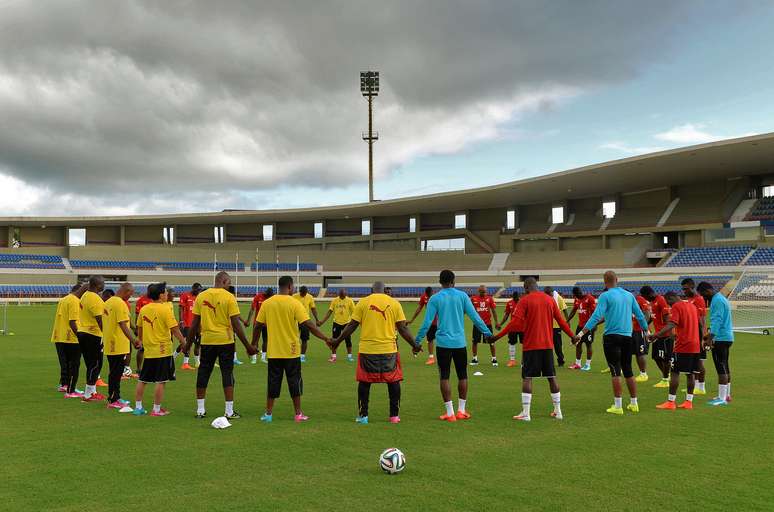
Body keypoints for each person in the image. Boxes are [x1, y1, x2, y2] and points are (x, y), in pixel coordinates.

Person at [332, 282, 421, 424]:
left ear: (371, 290)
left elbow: (352, 326)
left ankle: (363, 416)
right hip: (389, 350)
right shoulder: (394, 303)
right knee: (393, 382)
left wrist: (337, 341)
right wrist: (415, 345)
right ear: (384, 290)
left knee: (364, 383)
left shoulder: (363, 302)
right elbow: (403, 329)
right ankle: (394, 416)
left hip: (368, 350)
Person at [491, 277, 574, 421]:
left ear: (526, 288)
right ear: (537, 286)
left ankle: (526, 413)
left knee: (527, 377)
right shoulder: (549, 300)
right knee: (551, 377)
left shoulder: (524, 301)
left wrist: (497, 336)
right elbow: (561, 321)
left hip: (531, 346)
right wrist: (572, 336)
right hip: (547, 345)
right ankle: (558, 412)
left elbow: (515, 323)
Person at [416, 270, 493, 422]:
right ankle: (461, 411)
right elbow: (475, 318)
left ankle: (450, 413)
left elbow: (426, 323)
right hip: (459, 343)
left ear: (440, 282)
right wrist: (487, 333)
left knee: (444, 376)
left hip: (443, 344)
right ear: (453, 281)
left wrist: (417, 341)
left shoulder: (435, 298)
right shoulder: (463, 296)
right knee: (462, 375)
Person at [255, 276, 331, 423]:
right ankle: (298, 414)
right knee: (294, 382)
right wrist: (326, 338)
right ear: (290, 286)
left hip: (274, 351)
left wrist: (253, 345)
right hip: (292, 351)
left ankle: (268, 414)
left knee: (273, 382)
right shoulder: (295, 303)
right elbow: (308, 324)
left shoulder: (267, 303)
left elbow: (258, 325)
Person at [184, 272, 256, 419]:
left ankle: (200, 410)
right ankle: (229, 411)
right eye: (228, 282)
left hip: (207, 341)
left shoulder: (202, 296)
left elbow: (194, 324)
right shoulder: (229, 297)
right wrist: (248, 346)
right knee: (227, 374)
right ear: (224, 281)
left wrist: (188, 344)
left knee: (203, 373)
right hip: (225, 341)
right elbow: (236, 324)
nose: (229, 285)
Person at [575, 271, 648, 415]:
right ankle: (634, 403)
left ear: (604, 282)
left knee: (615, 371)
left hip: (611, 337)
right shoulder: (629, 295)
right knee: (628, 370)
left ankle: (618, 405)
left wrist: (581, 333)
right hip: (628, 336)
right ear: (617, 279)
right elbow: (639, 315)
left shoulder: (605, 296)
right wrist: (647, 331)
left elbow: (596, 316)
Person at [133, 282, 186, 416]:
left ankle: (138, 407)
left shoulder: (144, 309)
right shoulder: (165, 309)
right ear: (161, 295)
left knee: (143, 379)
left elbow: (139, 327)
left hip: (149, 350)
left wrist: (141, 340)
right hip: (163, 350)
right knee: (161, 381)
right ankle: (156, 409)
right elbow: (174, 329)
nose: (168, 293)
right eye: (166, 292)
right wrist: (183, 341)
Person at [650, 291, 701, 410]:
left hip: (683, 345)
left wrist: (656, 335)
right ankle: (689, 402)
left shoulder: (677, 306)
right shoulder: (692, 306)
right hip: (695, 345)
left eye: (669, 303)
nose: (669, 306)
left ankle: (671, 402)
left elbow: (672, 324)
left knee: (674, 372)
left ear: (671, 298)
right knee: (691, 374)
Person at [697, 282, 734, 405]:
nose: (703, 297)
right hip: (727, 337)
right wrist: (709, 335)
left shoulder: (716, 301)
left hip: (720, 338)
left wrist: (709, 338)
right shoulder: (721, 298)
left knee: (721, 367)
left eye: (703, 294)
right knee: (725, 365)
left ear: (707, 291)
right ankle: (727, 395)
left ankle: (722, 398)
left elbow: (717, 320)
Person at [103, 283, 139, 408]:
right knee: (116, 372)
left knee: (115, 371)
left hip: (110, 341)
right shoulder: (120, 303)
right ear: (126, 291)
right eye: (131, 293)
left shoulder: (108, 302)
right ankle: (113, 399)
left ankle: (115, 397)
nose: (131, 296)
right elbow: (123, 325)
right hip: (117, 343)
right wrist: (134, 340)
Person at [50, 283, 86, 397]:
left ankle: (64, 384)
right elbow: (72, 321)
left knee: (64, 362)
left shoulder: (63, 299)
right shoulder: (74, 301)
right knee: (73, 364)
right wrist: (80, 336)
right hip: (71, 337)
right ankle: (71, 389)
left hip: (59, 335)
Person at [78, 275, 107, 402]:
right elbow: (100, 320)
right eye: (103, 283)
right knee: (95, 364)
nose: (104, 285)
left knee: (91, 364)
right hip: (93, 334)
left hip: (83, 331)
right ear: (97, 285)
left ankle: (92, 391)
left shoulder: (85, 295)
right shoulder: (95, 298)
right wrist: (106, 335)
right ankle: (88, 394)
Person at [641, 286, 673, 388]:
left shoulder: (661, 300)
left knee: (665, 358)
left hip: (665, 335)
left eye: (645, 297)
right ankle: (666, 376)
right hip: (658, 335)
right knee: (656, 357)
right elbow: (653, 317)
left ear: (649, 294)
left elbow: (667, 320)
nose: (645, 299)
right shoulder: (652, 302)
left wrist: (667, 333)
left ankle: (665, 379)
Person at [682, 278, 707, 395]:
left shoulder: (699, 300)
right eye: (683, 289)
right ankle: (695, 385)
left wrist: (704, 337)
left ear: (692, 287)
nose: (684, 291)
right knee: (694, 361)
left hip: (698, 333)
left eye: (686, 289)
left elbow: (702, 320)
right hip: (691, 333)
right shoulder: (689, 299)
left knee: (699, 361)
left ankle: (701, 387)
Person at [319, 288, 356, 363]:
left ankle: (350, 356)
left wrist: (353, 322)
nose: (342, 297)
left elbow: (354, 312)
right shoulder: (335, 300)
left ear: (346, 294)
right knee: (334, 340)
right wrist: (322, 321)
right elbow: (330, 311)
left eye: (343, 295)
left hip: (346, 323)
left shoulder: (350, 301)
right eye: (341, 295)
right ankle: (333, 356)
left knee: (348, 340)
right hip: (337, 323)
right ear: (339, 294)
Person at [566, 286, 596, 371]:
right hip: (580, 326)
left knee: (588, 344)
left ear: (580, 292)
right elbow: (573, 310)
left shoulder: (590, 299)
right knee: (578, 343)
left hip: (588, 326)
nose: (576, 297)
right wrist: (567, 320)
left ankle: (587, 364)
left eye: (577, 295)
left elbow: (595, 314)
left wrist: (594, 326)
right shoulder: (577, 299)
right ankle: (578, 363)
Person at [176, 282, 202, 370]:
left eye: (199, 290)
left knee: (198, 343)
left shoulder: (199, 297)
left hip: (197, 324)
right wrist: (181, 321)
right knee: (186, 342)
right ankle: (184, 362)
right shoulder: (185, 295)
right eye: (197, 290)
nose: (198, 292)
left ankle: (197, 362)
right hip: (187, 323)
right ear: (193, 288)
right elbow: (180, 308)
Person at [408, 287, 438, 365]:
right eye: (427, 295)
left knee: (443, 339)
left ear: (433, 292)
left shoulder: (437, 297)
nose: (428, 297)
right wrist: (412, 319)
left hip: (441, 322)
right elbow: (419, 308)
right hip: (430, 323)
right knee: (430, 339)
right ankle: (431, 358)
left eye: (430, 295)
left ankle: (445, 357)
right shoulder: (424, 297)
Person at [470, 285, 499, 367]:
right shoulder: (473, 299)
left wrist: (496, 322)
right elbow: (468, 309)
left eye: (485, 291)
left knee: (491, 342)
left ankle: (494, 358)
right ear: (479, 291)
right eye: (482, 291)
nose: (483, 293)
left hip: (487, 324)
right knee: (475, 342)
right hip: (477, 324)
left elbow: (493, 311)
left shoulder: (489, 299)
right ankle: (475, 359)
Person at [292, 285, 320, 363]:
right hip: (295, 320)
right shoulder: (294, 296)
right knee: (293, 338)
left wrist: (317, 319)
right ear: (300, 292)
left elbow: (313, 309)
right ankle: (294, 354)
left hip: (305, 321)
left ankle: (302, 356)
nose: (303, 295)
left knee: (304, 339)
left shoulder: (309, 297)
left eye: (305, 294)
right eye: (302, 293)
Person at [246, 287, 273, 363]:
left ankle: (263, 357)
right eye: (267, 295)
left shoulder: (272, 299)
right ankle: (254, 358)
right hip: (257, 322)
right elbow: (252, 309)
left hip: (267, 323)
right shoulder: (258, 297)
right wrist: (248, 320)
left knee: (266, 340)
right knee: (255, 340)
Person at [496, 290, 522, 367]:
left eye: (517, 297)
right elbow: (506, 315)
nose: (516, 298)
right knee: (511, 343)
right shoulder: (509, 303)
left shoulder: (523, 302)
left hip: (523, 327)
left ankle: (524, 362)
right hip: (512, 327)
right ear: (513, 297)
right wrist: (500, 324)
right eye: (514, 297)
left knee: (524, 344)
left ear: (519, 296)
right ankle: (512, 360)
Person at [544, 287, 568, 367]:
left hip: (556, 326)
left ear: (551, 292)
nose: (548, 295)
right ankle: (548, 361)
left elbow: (564, 310)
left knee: (558, 345)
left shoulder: (558, 298)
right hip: (547, 325)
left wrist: (567, 321)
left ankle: (561, 360)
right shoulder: (545, 299)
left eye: (549, 294)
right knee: (546, 344)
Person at [632, 289, 652, 382]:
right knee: (636, 352)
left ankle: (644, 374)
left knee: (640, 352)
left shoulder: (639, 299)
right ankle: (640, 373)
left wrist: (644, 327)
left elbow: (648, 314)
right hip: (632, 330)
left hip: (640, 330)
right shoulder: (630, 301)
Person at [134, 287, 154, 375]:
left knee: (152, 348)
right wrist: (137, 328)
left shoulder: (154, 300)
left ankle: (150, 368)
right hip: (143, 328)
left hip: (153, 328)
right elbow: (137, 315)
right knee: (141, 349)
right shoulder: (141, 300)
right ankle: (139, 368)